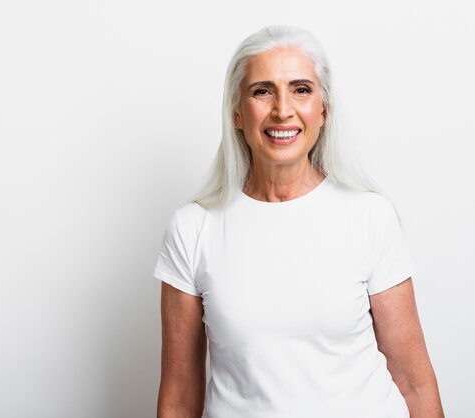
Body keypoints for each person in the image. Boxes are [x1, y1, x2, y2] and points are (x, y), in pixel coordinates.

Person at [152, 25, 445, 418]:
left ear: (323, 109)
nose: (283, 109)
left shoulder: (370, 216)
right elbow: (179, 396)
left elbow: (413, 381)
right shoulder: (192, 229)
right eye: (262, 91)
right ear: (237, 112)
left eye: (301, 89)